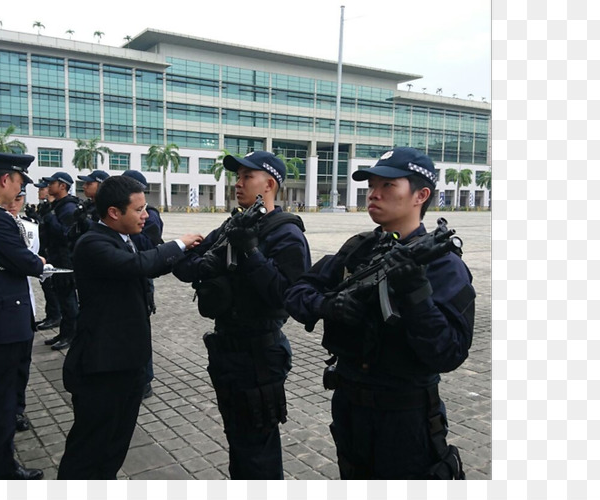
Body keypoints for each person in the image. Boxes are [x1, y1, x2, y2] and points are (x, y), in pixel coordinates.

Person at [284, 147, 476, 480]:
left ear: (421, 195)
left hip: (406, 418)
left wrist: (416, 294)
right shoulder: (359, 248)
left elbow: (448, 352)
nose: (374, 193)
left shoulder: (442, 264)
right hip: (349, 408)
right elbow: (297, 292)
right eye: (372, 184)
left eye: (388, 186)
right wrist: (326, 305)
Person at [172, 151, 311, 479]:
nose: (238, 182)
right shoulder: (231, 225)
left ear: (270, 184)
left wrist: (249, 252)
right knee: (238, 439)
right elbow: (185, 266)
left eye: (248, 176)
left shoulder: (285, 233)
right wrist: (211, 262)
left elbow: (288, 296)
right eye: (238, 176)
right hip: (226, 349)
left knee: (257, 449)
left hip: (260, 354)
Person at [57, 175, 204, 479]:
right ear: (113, 212)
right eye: (138, 210)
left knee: (114, 447)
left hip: (125, 364)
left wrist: (191, 251)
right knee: (89, 449)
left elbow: (153, 260)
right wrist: (180, 243)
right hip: (101, 368)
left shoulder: (123, 238)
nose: (146, 215)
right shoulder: (93, 243)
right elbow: (138, 266)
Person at [0, 152, 46, 480]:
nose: (20, 189)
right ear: (6, 179)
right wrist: (38, 262)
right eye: (20, 182)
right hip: (1, 323)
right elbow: (27, 262)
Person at [121, 169, 164, 399]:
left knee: (140, 330)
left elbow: (149, 247)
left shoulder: (151, 215)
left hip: (141, 277)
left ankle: (145, 380)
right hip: (128, 273)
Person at [0, 186, 40, 433]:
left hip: (24, 300)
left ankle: (17, 409)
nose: (15, 203)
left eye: (20, 198)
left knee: (21, 363)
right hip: (4, 305)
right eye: (13, 197)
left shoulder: (30, 227)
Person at [40, 171, 79, 351]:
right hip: (56, 258)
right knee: (62, 299)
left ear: (62, 186)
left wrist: (49, 218)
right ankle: (64, 332)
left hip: (65, 261)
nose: (48, 187)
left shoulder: (68, 208)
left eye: (52, 183)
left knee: (68, 300)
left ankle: (71, 334)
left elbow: (65, 235)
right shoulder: (59, 205)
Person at [33, 180, 61, 332]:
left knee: (51, 288)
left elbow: (59, 231)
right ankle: (51, 314)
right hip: (45, 250)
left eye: (42, 189)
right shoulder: (45, 206)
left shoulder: (56, 207)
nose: (40, 191)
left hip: (54, 253)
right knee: (46, 286)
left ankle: (55, 316)